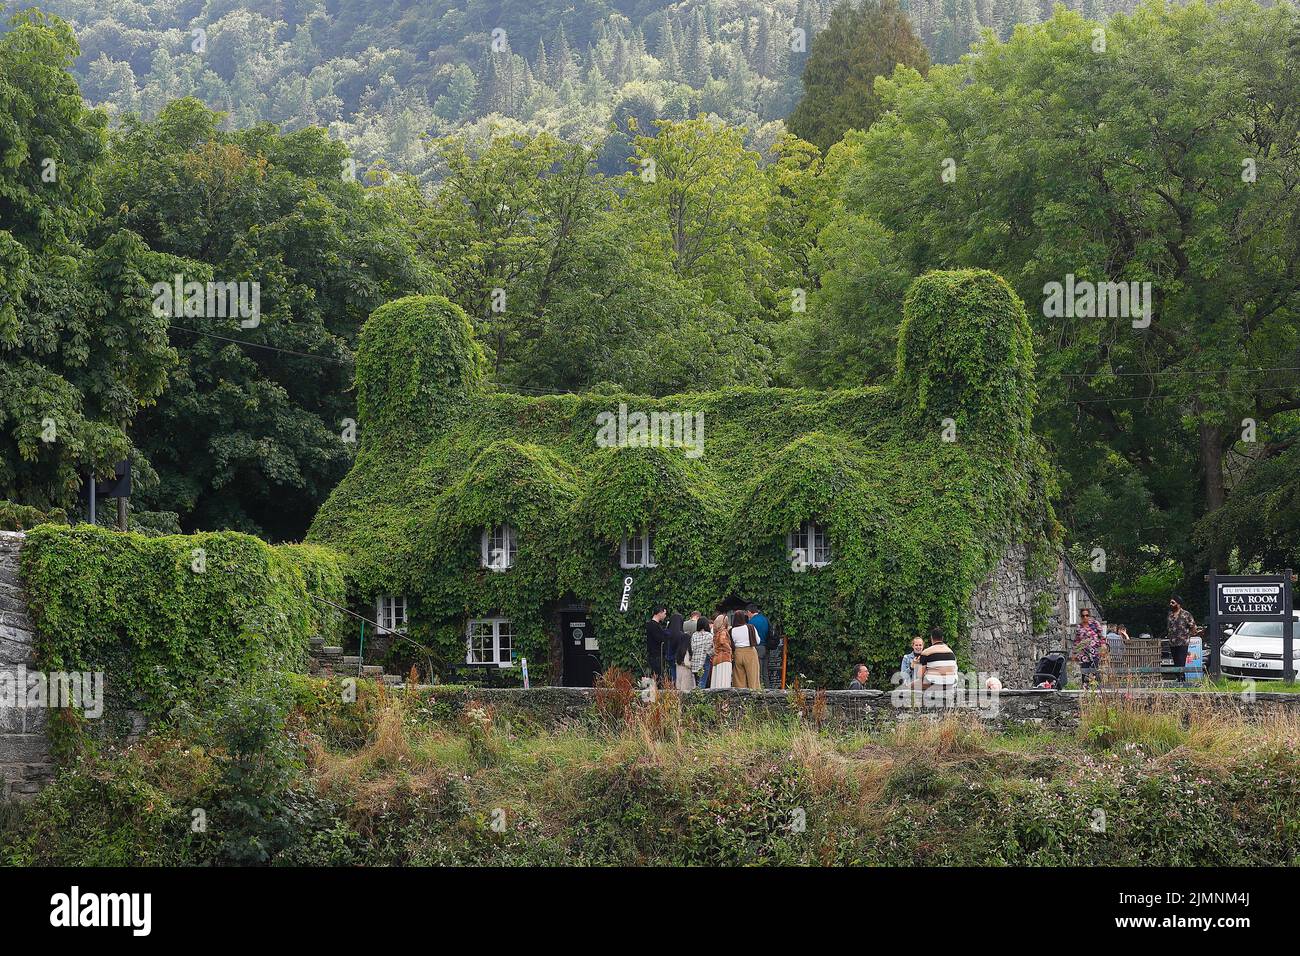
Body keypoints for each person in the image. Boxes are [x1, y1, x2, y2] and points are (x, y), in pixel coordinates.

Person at [1072, 607, 1105, 687]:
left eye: (1087, 615)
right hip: (1084, 654)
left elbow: (1101, 637)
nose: (1085, 617)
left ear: (1089, 615)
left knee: (1095, 671)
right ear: (1081, 617)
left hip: (1094, 653)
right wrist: (1074, 653)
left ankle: (1096, 689)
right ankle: (1085, 690)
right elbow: (1076, 641)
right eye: (1083, 616)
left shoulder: (1095, 624)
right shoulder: (1079, 627)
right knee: (1084, 673)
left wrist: (1103, 647)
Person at [730, 609, 763, 690]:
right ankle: (754, 696)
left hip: (737, 653)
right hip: (750, 652)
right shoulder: (750, 627)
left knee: (739, 679)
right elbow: (758, 641)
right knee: (753, 677)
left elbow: (731, 644)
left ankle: (741, 697)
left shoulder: (732, 630)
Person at [1167, 596, 1197, 683]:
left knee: (1181, 660)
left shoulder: (1186, 614)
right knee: (1175, 661)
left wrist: (1188, 635)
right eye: (1170, 602)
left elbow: (1193, 627)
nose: (1171, 604)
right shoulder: (1170, 614)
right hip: (1172, 642)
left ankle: (1182, 679)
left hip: (1183, 642)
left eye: (1173, 603)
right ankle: (1178, 678)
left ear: (1178, 604)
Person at [667, 612, 693, 691]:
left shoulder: (667, 632)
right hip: (679, 658)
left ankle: (672, 688)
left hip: (669, 656)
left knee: (672, 674)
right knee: (679, 676)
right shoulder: (681, 634)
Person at [747, 603, 770, 686]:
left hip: (757, 648)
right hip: (766, 647)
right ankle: (769, 691)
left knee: (758, 672)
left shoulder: (751, 622)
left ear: (749, 612)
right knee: (765, 672)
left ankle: (761, 692)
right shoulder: (765, 619)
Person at [644, 605, 669, 682]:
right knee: (657, 676)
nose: (665, 616)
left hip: (656, 655)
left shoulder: (655, 625)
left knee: (658, 675)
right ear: (660, 613)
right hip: (656, 655)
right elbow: (660, 639)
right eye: (664, 613)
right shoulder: (653, 625)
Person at [709, 613, 733, 688]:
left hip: (717, 658)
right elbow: (722, 641)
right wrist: (729, 649)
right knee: (724, 681)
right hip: (724, 658)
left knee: (717, 681)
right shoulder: (723, 631)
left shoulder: (716, 633)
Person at [690, 615, 713, 688]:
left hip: (695, 661)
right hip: (704, 660)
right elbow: (709, 650)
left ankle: (696, 697)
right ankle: (700, 698)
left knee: (697, 683)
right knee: (702, 682)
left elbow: (692, 648)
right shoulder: (709, 635)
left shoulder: (694, 635)